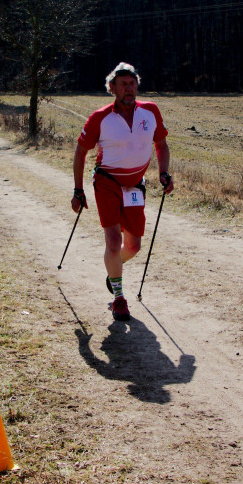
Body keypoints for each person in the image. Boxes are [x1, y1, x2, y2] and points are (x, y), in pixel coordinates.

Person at [71, 62, 174, 322]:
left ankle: (113, 270)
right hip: (107, 182)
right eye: (123, 84)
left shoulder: (150, 111)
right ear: (112, 88)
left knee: (134, 245)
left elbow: (161, 145)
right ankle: (119, 298)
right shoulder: (100, 117)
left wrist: (163, 172)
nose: (129, 89)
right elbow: (80, 152)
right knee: (114, 241)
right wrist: (78, 190)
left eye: (132, 84)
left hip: (135, 185)